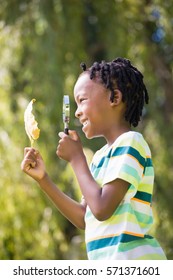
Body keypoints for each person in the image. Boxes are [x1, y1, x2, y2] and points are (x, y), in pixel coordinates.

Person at [21, 57, 167, 260]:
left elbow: (101, 208)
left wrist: (76, 159)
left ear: (114, 98)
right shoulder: (99, 158)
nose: (78, 112)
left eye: (82, 101)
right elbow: (85, 217)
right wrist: (43, 180)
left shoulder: (131, 143)